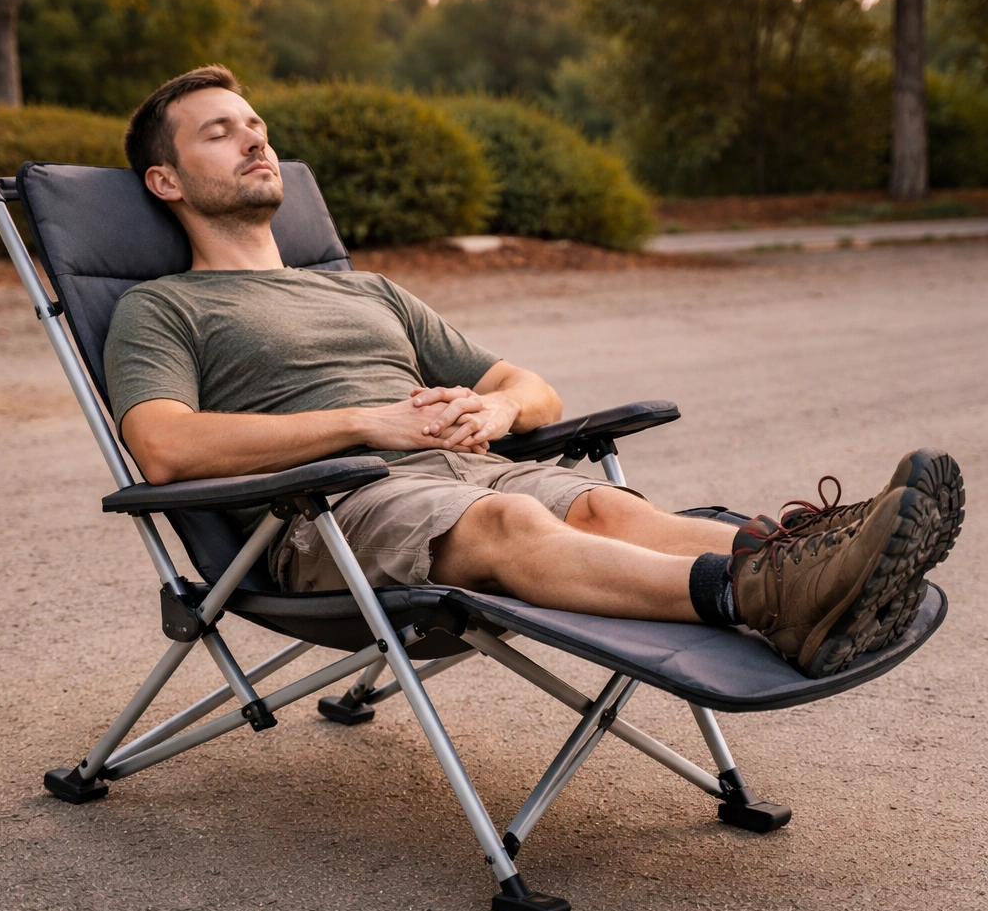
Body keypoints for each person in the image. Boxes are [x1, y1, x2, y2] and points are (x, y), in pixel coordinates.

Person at [105, 66, 963, 680]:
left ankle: (826, 561)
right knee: (510, 518)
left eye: (255, 125)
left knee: (604, 508)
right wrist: (368, 423)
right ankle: (768, 598)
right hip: (327, 509)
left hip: (466, 469)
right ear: (165, 180)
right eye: (220, 132)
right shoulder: (163, 307)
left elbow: (533, 388)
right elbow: (164, 448)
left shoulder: (367, 291)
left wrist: (497, 412)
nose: (254, 139)